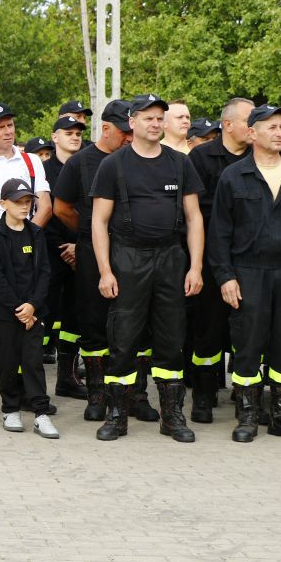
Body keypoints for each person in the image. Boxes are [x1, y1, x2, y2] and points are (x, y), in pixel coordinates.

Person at [90, 93, 205, 442]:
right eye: (148, 118)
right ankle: (117, 415)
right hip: (129, 257)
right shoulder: (113, 165)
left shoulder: (180, 163)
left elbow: (194, 218)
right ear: (132, 122)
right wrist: (105, 271)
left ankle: (172, 416)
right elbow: (99, 221)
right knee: (123, 339)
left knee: (171, 338)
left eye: (159, 118)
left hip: (171, 257)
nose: (155, 124)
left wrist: (195, 267)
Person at [208, 104, 281, 443]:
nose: (279, 132)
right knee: (248, 343)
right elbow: (219, 233)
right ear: (252, 133)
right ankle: (247, 415)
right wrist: (226, 277)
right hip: (249, 272)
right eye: (272, 127)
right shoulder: (234, 176)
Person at [52, 100, 139, 422]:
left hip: (132, 250)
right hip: (91, 251)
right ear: (105, 128)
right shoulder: (81, 162)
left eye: (132, 131)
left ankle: (132, 396)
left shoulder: (138, 159)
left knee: (131, 324)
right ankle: (97, 395)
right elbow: (61, 208)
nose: (129, 137)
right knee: (92, 323)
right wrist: (89, 234)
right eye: (124, 131)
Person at [0, 102, 51, 409]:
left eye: (10, 125)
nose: (7, 131)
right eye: (0, 127)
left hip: (29, 249)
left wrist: (27, 234)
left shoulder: (31, 160)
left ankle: (29, 393)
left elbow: (45, 204)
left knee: (28, 319)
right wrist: (3, 235)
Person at [186, 97, 254, 423]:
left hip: (250, 260)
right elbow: (193, 212)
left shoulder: (260, 158)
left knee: (249, 331)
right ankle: (203, 393)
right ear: (228, 124)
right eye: (249, 120)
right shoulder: (201, 158)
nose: (254, 127)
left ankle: (247, 398)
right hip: (212, 258)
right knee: (208, 330)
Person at [0, 178, 56, 437]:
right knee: (7, 362)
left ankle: (41, 413)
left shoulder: (36, 233)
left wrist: (33, 306)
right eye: (18, 202)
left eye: (27, 202)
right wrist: (19, 308)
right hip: (5, 313)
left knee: (33, 362)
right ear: (4, 204)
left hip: (33, 313)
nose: (25, 207)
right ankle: (10, 409)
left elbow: (44, 272)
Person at [43, 116, 87, 400]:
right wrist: (63, 247)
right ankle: (30, 383)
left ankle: (67, 378)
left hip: (81, 250)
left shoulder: (89, 165)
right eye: (68, 132)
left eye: (78, 133)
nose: (74, 137)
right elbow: (43, 211)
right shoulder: (43, 169)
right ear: (54, 137)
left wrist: (78, 246)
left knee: (74, 317)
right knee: (43, 314)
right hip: (50, 252)